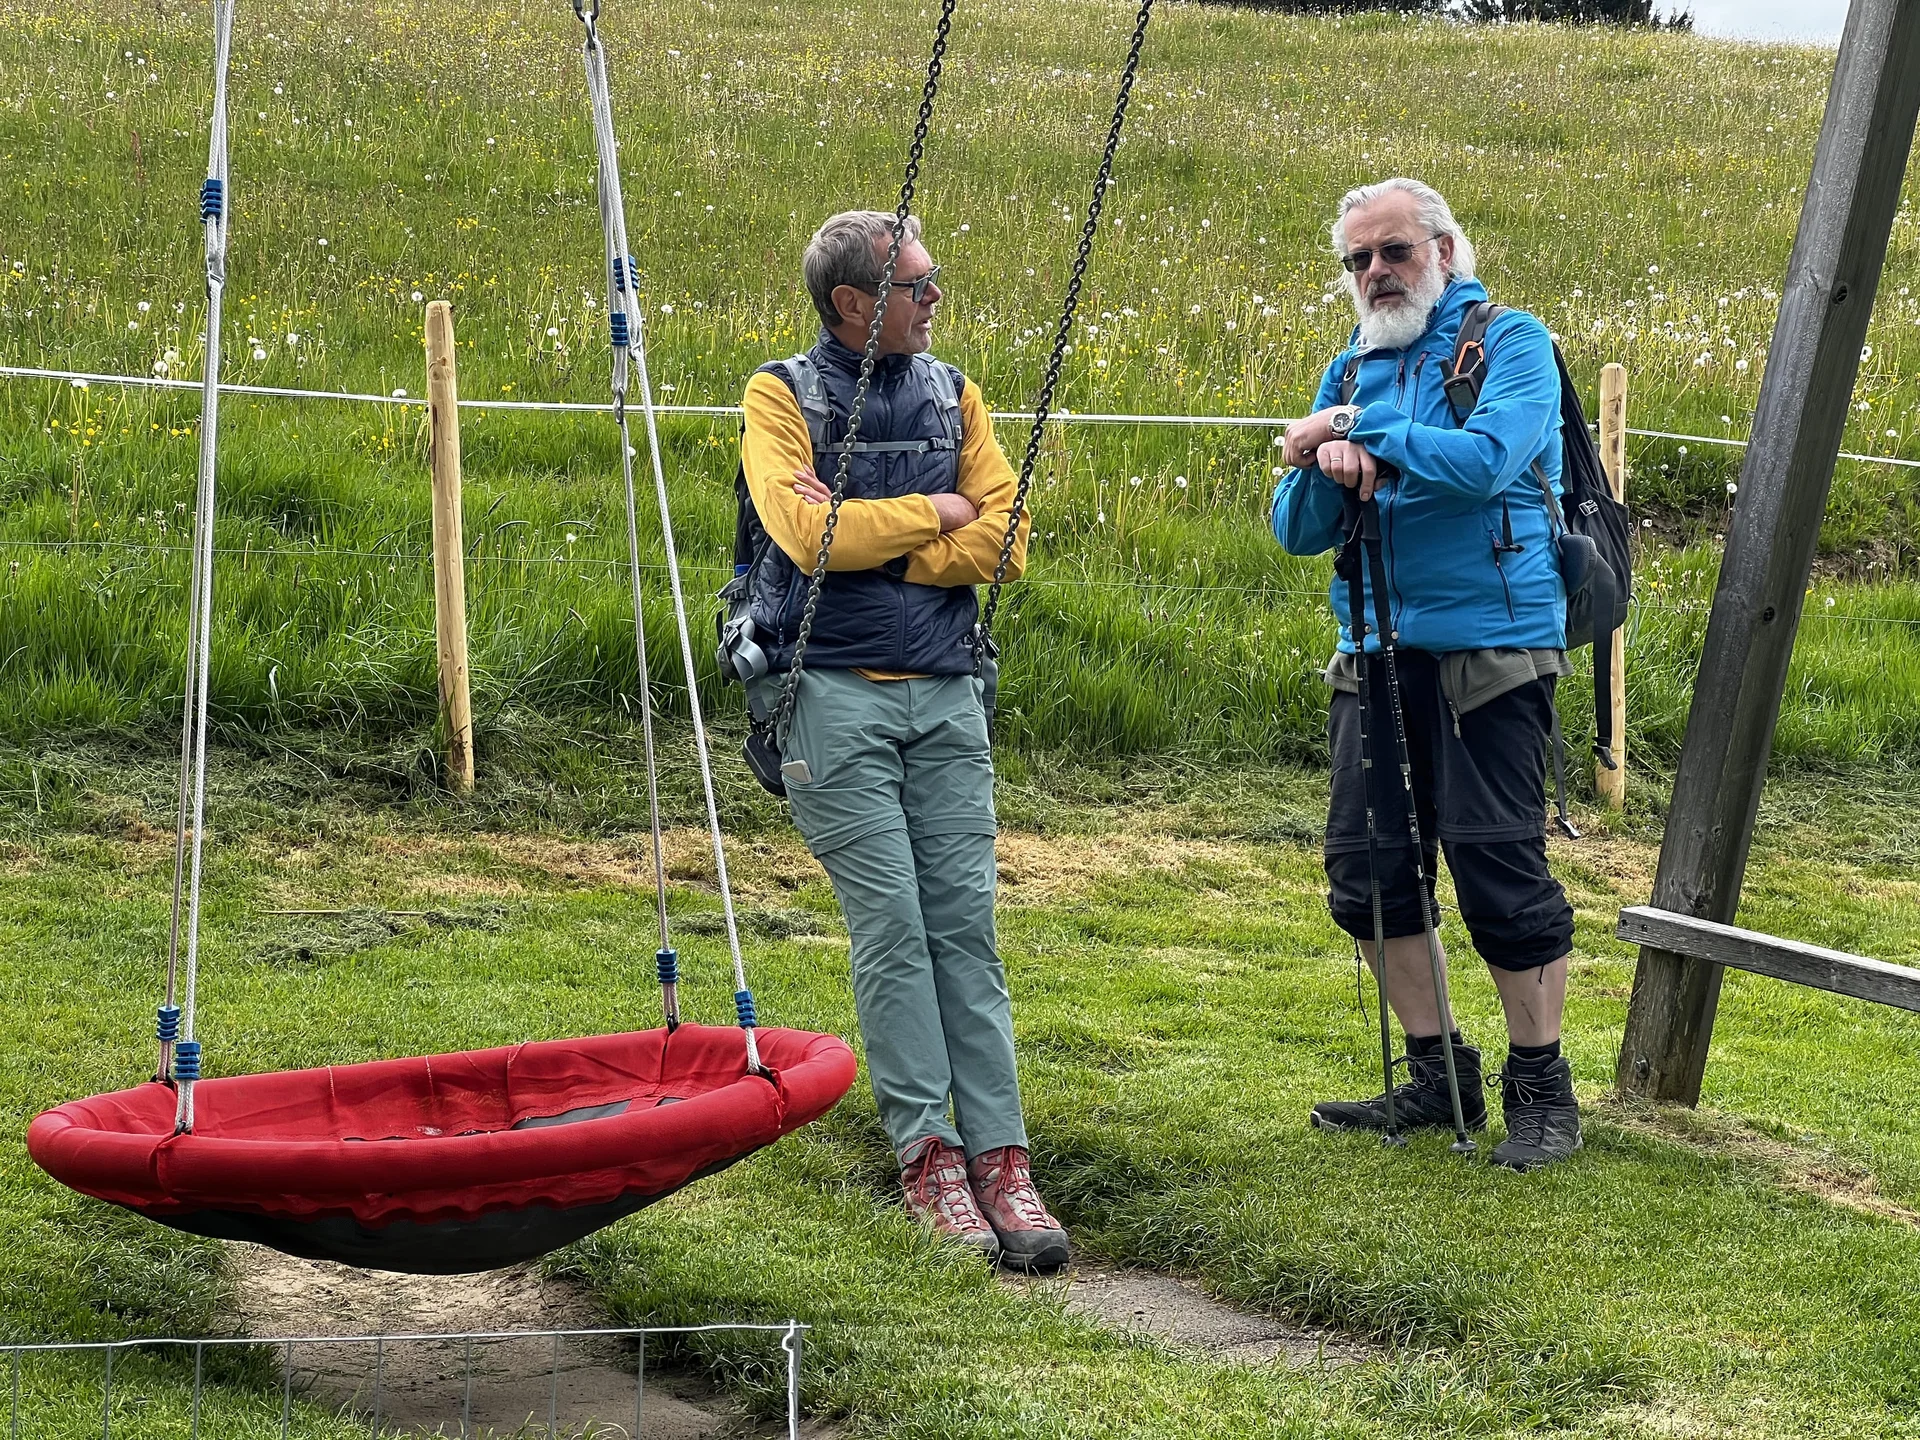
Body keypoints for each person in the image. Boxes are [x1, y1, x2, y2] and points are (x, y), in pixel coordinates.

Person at [730, 210, 1068, 1267]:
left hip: (946, 692)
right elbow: (806, 535)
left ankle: (1003, 1159)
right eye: (919, 286)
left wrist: (894, 539)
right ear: (852, 305)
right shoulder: (778, 396)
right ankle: (929, 1154)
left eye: (932, 282)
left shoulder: (954, 390)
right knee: (894, 926)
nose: (935, 301)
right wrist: (939, 509)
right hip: (826, 695)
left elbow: (1008, 542)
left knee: (966, 926)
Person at [1271, 177, 1582, 1171]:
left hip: (1493, 648)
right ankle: (1434, 1074)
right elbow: (1292, 527)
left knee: (1499, 868)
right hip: (1372, 652)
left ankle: (1542, 1091)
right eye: (1357, 260)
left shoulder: (1512, 342)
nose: (1374, 273)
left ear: (1445, 250)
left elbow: (1492, 459)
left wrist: (1360, 438)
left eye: (1394, 252)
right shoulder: (1348, 369)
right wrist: (1325, 469)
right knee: (1368, 878)